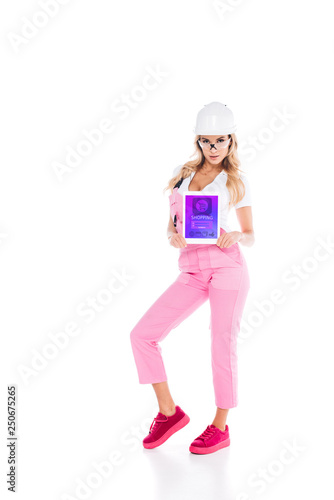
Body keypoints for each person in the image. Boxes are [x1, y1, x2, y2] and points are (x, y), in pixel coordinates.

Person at [130, 102, 255, 455]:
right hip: (191, 268)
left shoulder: (236, 181)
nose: (213, 148)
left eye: (220, 141)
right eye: (206, 141)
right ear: (198, 141)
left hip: (227, 267)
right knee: (142, 334)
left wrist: (235, 237)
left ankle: (220, 426)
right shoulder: (181, 175)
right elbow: (173, 224)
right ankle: (169, 413)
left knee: (221, 341)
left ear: (232, 141)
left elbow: (250, 233)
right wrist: (172, 236)